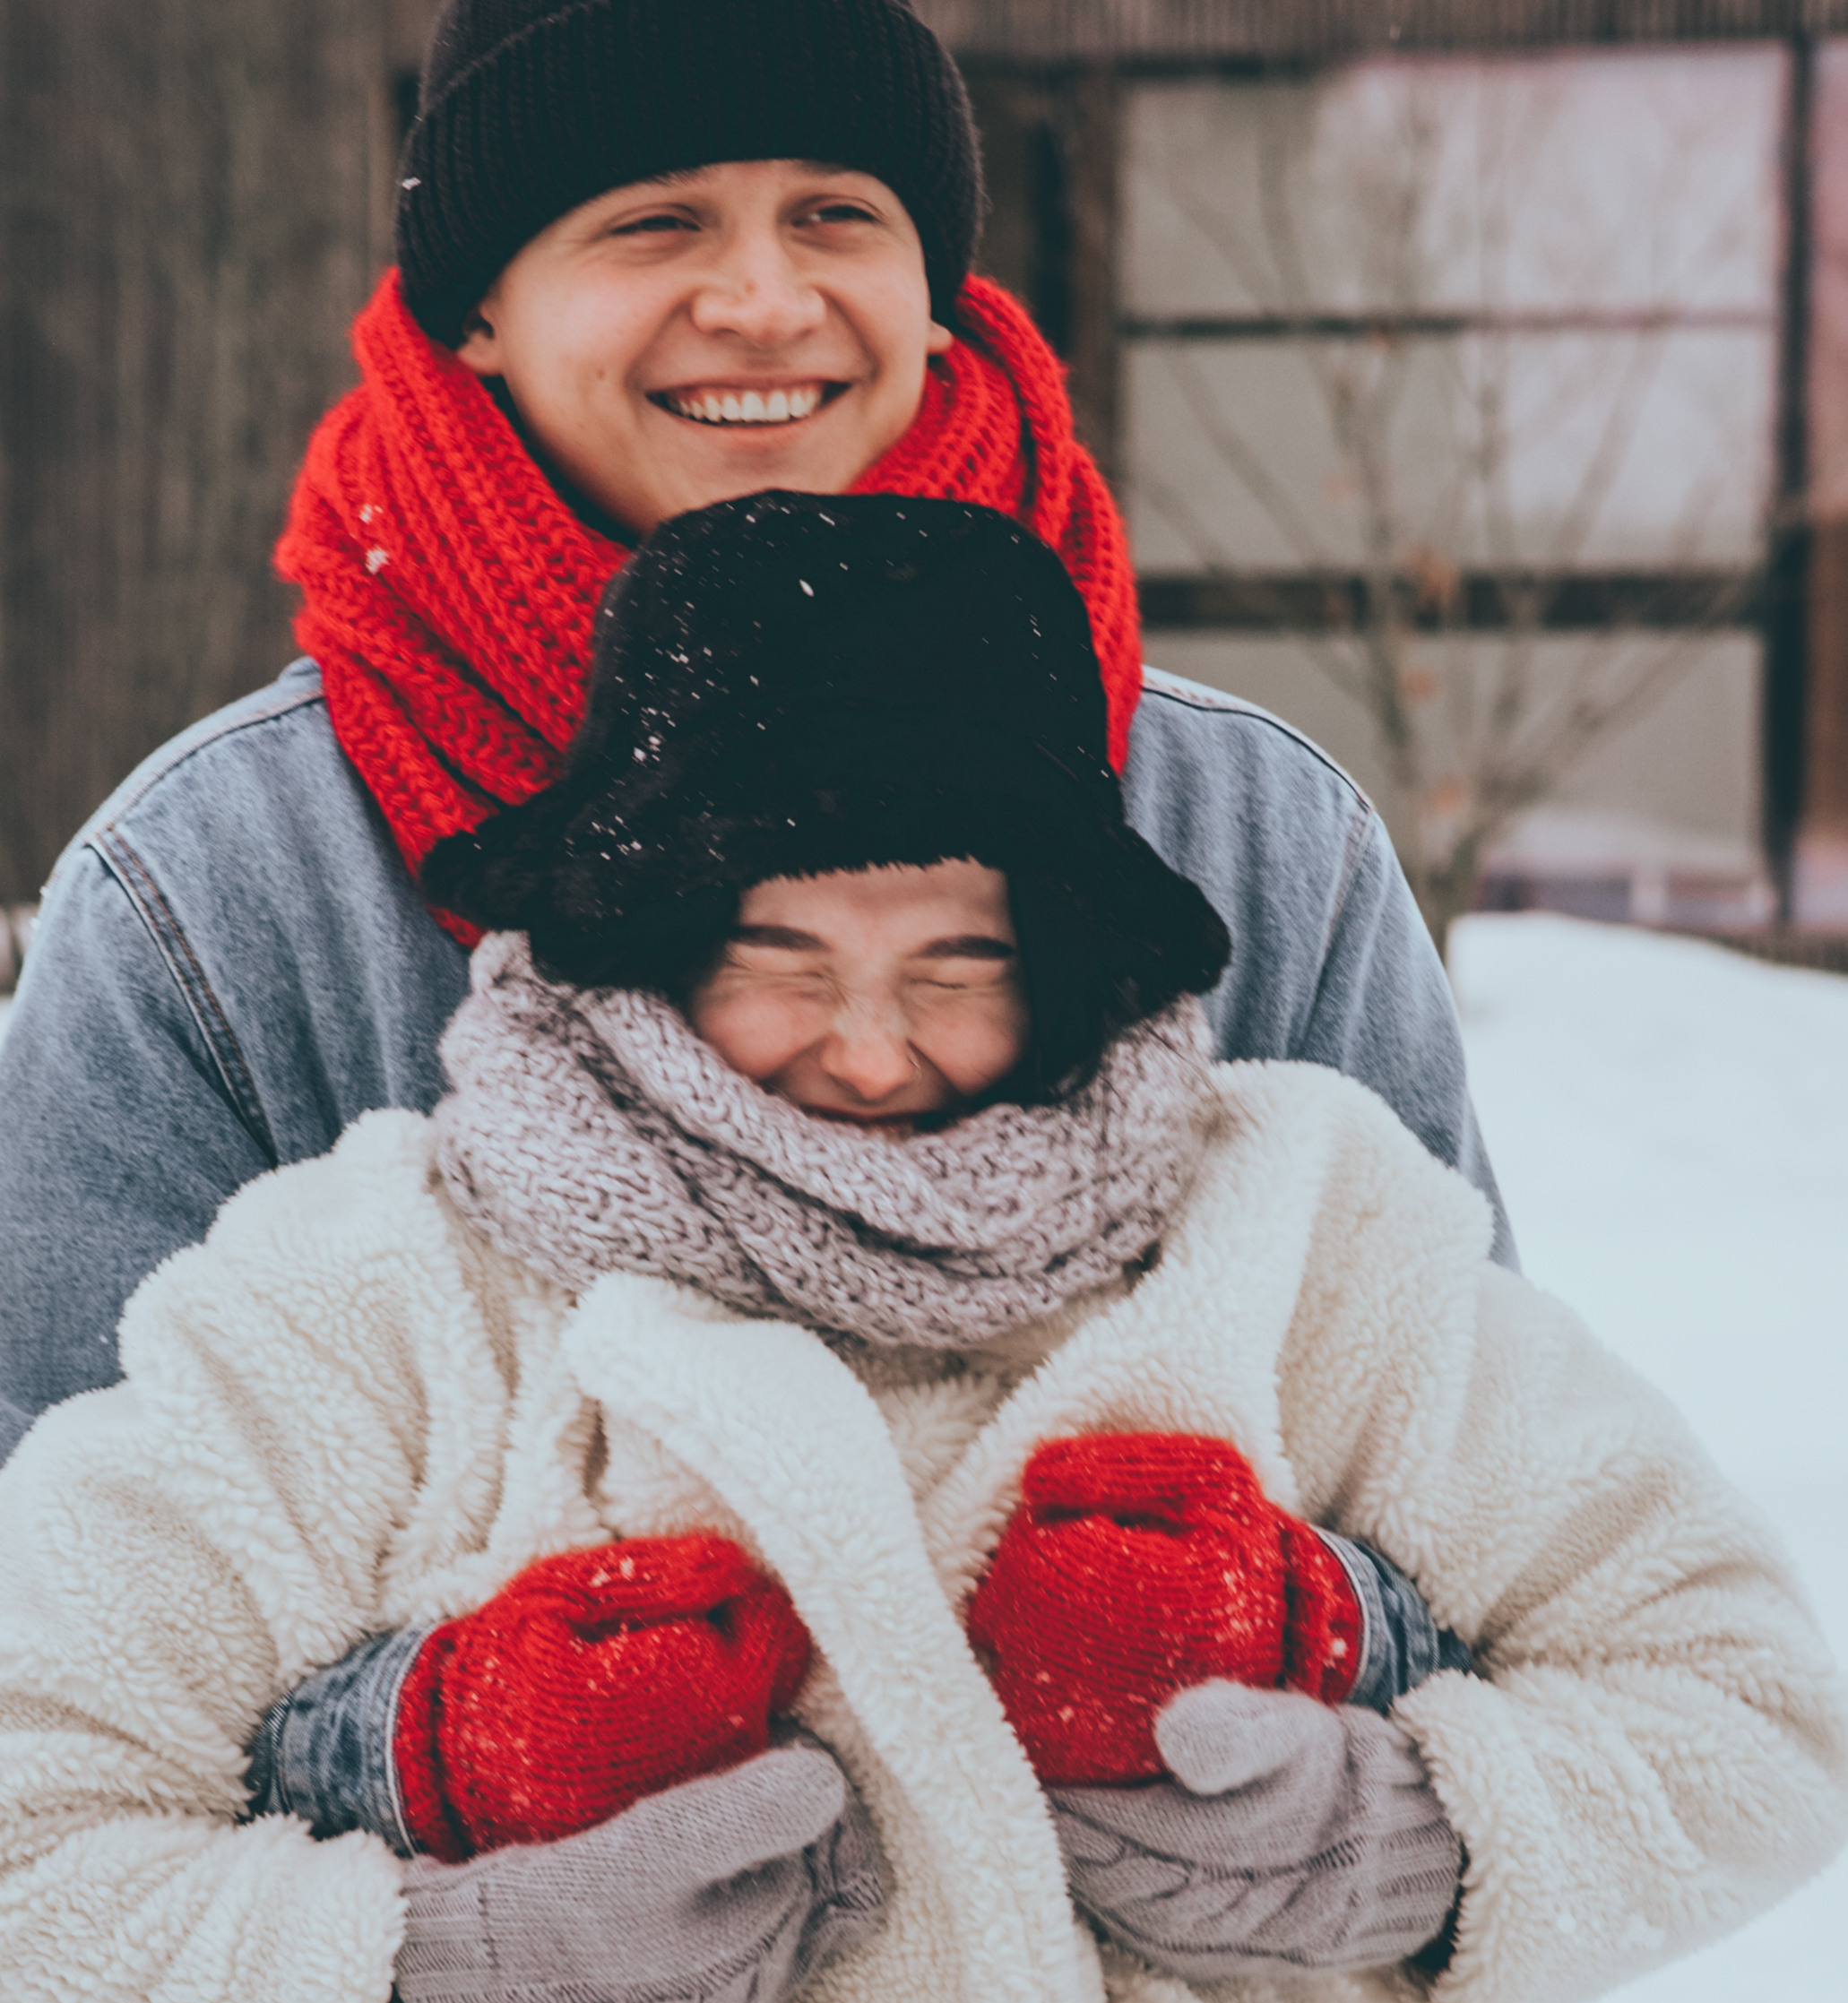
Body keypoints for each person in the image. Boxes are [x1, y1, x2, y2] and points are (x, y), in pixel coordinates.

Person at [0, 494, 1840, 2003]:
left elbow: (1741, 1695)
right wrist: (436, 1978)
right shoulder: (369, 1291)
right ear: (638, 931)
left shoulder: (1291, 1233)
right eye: (780, 961)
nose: (869, 1049)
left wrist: (1391, 1840)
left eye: (955, 965)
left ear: (1059, 954)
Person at [0, 0, 1512, 1488]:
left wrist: (1266, 1627)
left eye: (835, 213)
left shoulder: (1257, 831)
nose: (765, 301)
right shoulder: (211, 892)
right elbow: (67, 1591)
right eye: (654, 222)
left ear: (932, 283)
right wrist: (426, 1724)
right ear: (476, 311)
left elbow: (1485, 1490)